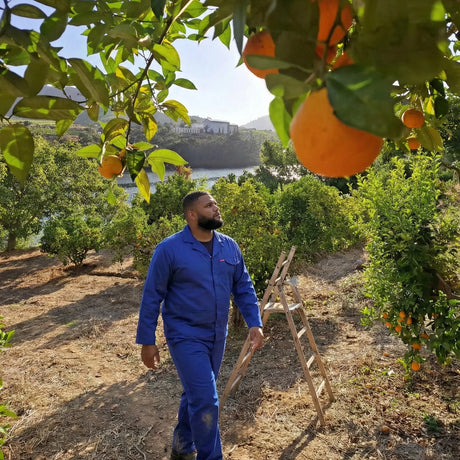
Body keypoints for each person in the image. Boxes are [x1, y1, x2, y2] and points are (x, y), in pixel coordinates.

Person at [136, 191, 264, 460]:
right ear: (192, 215)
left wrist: (254, 321)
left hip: (218, 334)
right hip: (184, 335)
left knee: (197, 393)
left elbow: (243, 286)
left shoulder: (229, 246)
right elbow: (152, 296)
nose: (216, 208)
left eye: (216, 202)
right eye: (209, 205)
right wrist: (148, 341)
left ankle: (182, 445)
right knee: (206, 399)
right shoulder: (169, 249)